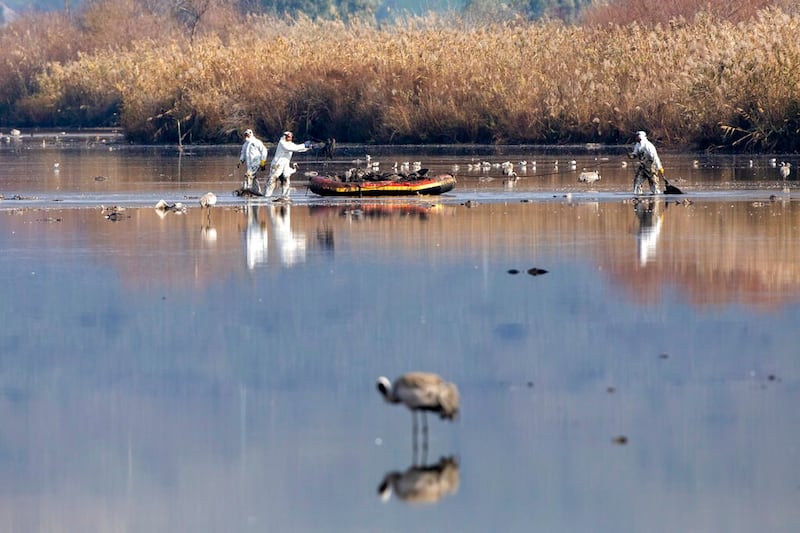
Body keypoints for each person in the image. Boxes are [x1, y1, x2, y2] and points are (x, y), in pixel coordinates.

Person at [265, 131, 313, 201]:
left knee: (286, 180)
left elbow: (297, 148)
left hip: (285, 165)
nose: (290, 138)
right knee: (272, 181)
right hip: (277, 164)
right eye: (289, 136)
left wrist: (309, 147)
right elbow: (290, 148)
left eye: (291, 137)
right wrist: (304, 145)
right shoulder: (282, 143)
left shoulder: (290, 144)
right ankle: (267, 197)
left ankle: (284, 196)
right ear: (285, 136)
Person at [629, 130, 664, 195]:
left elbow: (655, 157)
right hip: (642, 167)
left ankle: (656, 198)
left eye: (637, 136)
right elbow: (635, 153)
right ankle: (638, 198)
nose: (635, 137)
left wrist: (659, 167)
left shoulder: (649, 146)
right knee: (637, 182)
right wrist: (632, 155)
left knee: (653, 183)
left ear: (641, 137)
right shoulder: (637, 145)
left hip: (651, 167)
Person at [238, 129, 269, 194]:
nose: (247, 136)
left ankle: (248, 190)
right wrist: (241, 160)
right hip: (249, 164)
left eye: (248, 135)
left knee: (248, 175)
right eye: (245, 135)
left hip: (256, 162)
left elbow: (264, 151)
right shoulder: (245, 144)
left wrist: (263, 162)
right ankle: (257, 191)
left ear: (251, 134)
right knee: (252, 177)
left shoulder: (257, 142)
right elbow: (243, 153)